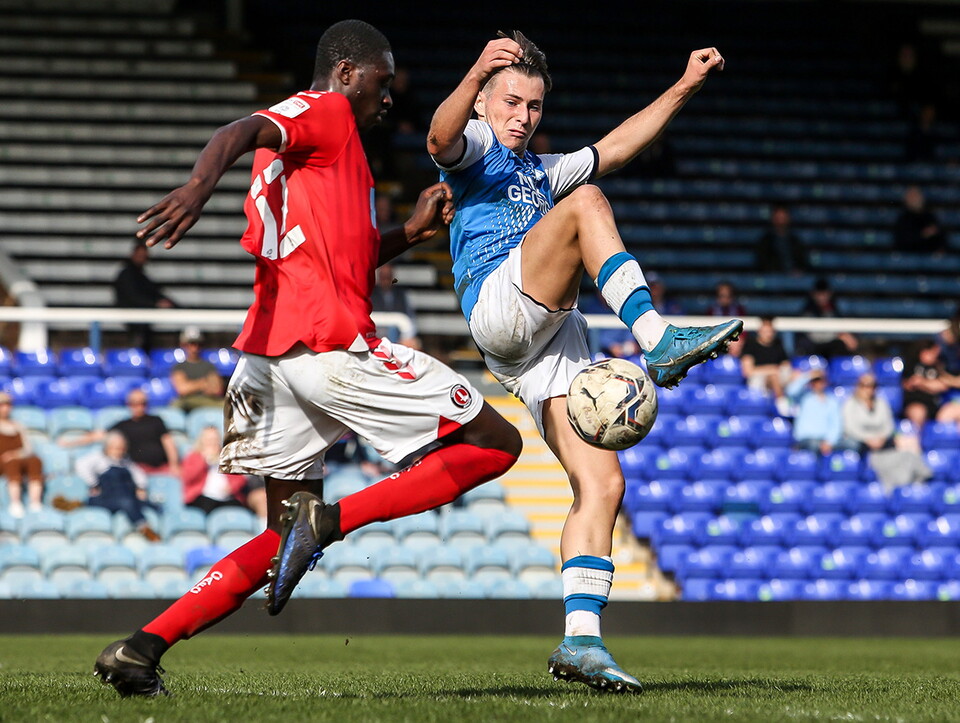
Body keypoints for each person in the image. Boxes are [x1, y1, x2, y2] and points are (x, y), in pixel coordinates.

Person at [94, 20, 521, 698]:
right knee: (497, 443)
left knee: (279, 536)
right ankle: (334, 520)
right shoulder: (323, 114)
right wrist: (198, 187)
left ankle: (142, 646)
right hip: (324, 344)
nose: (391, 96)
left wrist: (409, 232)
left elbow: (347, 260)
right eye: (382, 82)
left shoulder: (328, 161)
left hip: (267, 362)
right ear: (348, 73)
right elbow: (240, 128)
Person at [426, 30, 741, 693]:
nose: (523, 116)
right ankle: (657, 336)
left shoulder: (540, 170)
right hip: (502, 303)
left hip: (549, 333)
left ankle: (582, 641)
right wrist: (476, 71)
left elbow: (618, 146)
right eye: (511, 101)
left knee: (603, 485)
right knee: (588, 205)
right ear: (486, 103)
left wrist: (686, 84)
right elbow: (438, 139)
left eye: (535, 106)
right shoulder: (478, 148)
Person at [76, 431, 160, 541]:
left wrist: (141, 488)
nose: (120, 451)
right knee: (126, 502)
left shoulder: (125, 461)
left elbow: (138, 474)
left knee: (152, 506)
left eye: (122, 448)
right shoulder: (98, 458)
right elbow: (81, 465)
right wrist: (94, 484)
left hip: (127, 495)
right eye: (116, 448)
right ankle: (143, 526)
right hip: (107, 497)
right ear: (108, 447)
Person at [181, 426, 267, 522]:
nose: (212, 442)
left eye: (215, 439)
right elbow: (189, 477)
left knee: (238, 510)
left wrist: (231, 487)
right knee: (206, 505)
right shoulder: (194, 457)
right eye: (209, 439)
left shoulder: (227, 457)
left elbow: (239, 478)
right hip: (203, 497)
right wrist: (204, 459)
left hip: (226, 497)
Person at [113, 241, 175, 351]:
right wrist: (156, 304)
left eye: (144, 256)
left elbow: (154, 292)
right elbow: (133, 297)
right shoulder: (127, 275)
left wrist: (168, 303)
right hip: (132, 320)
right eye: (140, 255)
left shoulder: (142, 276)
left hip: (142, 320)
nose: (142, 258)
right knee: (139, 348)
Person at [0, 392, 43, 518]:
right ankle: (15, 502)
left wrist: (16, 454)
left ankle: (35, 502)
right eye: (2, 405)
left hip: (18, 458)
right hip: (3, 461)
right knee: (12, 464)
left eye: (7, 405)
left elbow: (28, 448)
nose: (5, 408)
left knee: (35, 461)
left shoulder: (18, 426)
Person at [901, 338, 960, 428]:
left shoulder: (939, 367)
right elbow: (908, 384)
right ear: (923, 352)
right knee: (918, 412)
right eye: (932, 352)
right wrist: (929, 385)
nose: (935, 355)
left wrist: (922, 383)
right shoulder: (911, 365)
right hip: (915, 403)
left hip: (936, 405)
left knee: (949, 414)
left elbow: (941, 385)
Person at [739, 316, 792, 415]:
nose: (768, 334)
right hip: (758, 380)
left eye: (770, 331)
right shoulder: (751, 345)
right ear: (759, 331)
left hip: (778, 378)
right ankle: (782, 404)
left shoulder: (778, 344)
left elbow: (786, 365)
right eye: (765, 331)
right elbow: (748, 371)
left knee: (796, 374)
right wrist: (771, 369)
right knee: (773, 376)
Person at [786, 369, 846, 455]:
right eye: (815, 381)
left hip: (824, 441)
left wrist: (830, 442)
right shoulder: (804, 397)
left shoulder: (832, 402)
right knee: (813, 445)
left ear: (826, 382)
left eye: (820, 380)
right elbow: (790, 391)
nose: (818, 384)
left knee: (850, 445)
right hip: (806, 439)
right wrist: (808, 376)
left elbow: (836, 424)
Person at [796, 277, 858, 359]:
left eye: (824, 294)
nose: (822, 297)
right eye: (819, 294)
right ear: (813, 294)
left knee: (841, 344)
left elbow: (842, 330)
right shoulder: (807, 310)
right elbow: (809, 334)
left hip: (830, 346)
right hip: (813, 346)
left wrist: (844, 335)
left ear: (830, 294)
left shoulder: (836, 310)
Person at [169, 326, 225, 411]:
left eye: (199, 344)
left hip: (208, 401)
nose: (195, 348)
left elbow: (217, 389)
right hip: (187, 402)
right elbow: (182, 389)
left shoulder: (209, 366)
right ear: (184, 345)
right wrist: (203, 383)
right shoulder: (179, 367)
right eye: (191, 344)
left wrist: (191, 385)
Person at [370, 261, 422, 349]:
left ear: (392, 277)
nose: (385, 279)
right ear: (379, 277)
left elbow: (410, 318)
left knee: (413, 343)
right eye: (383, 276)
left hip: (398, 338)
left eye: (388, 276)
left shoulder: (401, 295)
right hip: (376, 335)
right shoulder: (370, 294)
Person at [841, 373, 895, 453]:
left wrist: (881, 439)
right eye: (864, 385)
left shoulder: (881, 403)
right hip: (860, 441)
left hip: (880, 440)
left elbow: (889, 425)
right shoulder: (850, 404)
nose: (869, 389)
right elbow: (850, 428)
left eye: (872, 386)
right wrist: (868, 439)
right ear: (858, 386)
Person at [893, 186, 948, 256]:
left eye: (916, 196)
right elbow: (902, 240)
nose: (914, 199)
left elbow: (940, 235)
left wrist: (940, 249)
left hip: (930, 257)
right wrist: (923, 234)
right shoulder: (902, 219)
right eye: (911, 196)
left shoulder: (930, 217)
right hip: (908, 257)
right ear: (905, 199)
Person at [755, 204, 806, 273]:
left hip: (794, 279)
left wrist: (798, 271)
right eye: (778, 218)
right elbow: (762, 262)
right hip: (772, 279)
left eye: (783, 218)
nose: (781, 222)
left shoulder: (795, 241)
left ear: (788, 219)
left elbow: (803, 262)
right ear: (773, 219)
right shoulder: (765, 241)